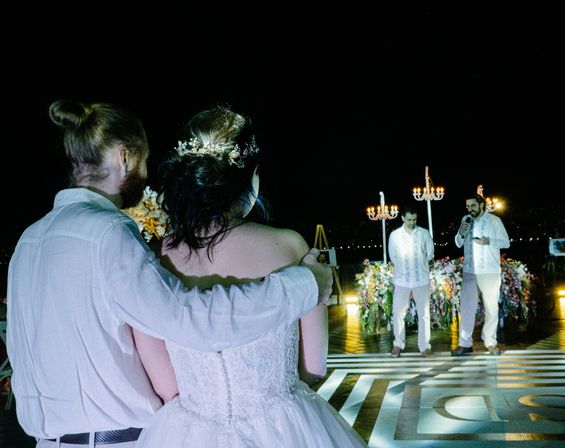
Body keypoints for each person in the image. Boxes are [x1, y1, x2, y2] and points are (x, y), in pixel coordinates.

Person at [6, 100, 332, 448]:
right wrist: (307, 283)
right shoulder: (109, 234)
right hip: (114, 441)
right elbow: (191, 320)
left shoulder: (29, 241)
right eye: (144, 160)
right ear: (125, 158)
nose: (146, 174)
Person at [132, 103, 366, 447]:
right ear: (250, 177)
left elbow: (167, 386)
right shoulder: (288, 246)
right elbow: (314, 366)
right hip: (286, 429)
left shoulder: (156, 260)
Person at [452, 194, 510, 356]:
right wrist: (462, 232)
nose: (470, 209)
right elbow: (458, 242)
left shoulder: (494, 221)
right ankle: (465, 343)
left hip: (490, 271)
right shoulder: (466, 219)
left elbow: (506, 242)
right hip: (470, 271)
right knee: (467, 308)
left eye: (473, 206)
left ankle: (490, 342)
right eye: (467, 206)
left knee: (491, 308)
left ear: (482, 205)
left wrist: (489, 241)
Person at [388, 205, 435, 357]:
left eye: (414, 219)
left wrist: (420, 266)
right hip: (402, 280)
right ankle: (398, 344)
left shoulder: (424, 233)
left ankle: (424, 346)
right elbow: (393, 256)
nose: (412, 222)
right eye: (409, 219)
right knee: (398, 313)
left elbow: (430, 254)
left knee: (424, 314)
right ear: (402, 218)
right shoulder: (394, 235)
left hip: (421, 280)